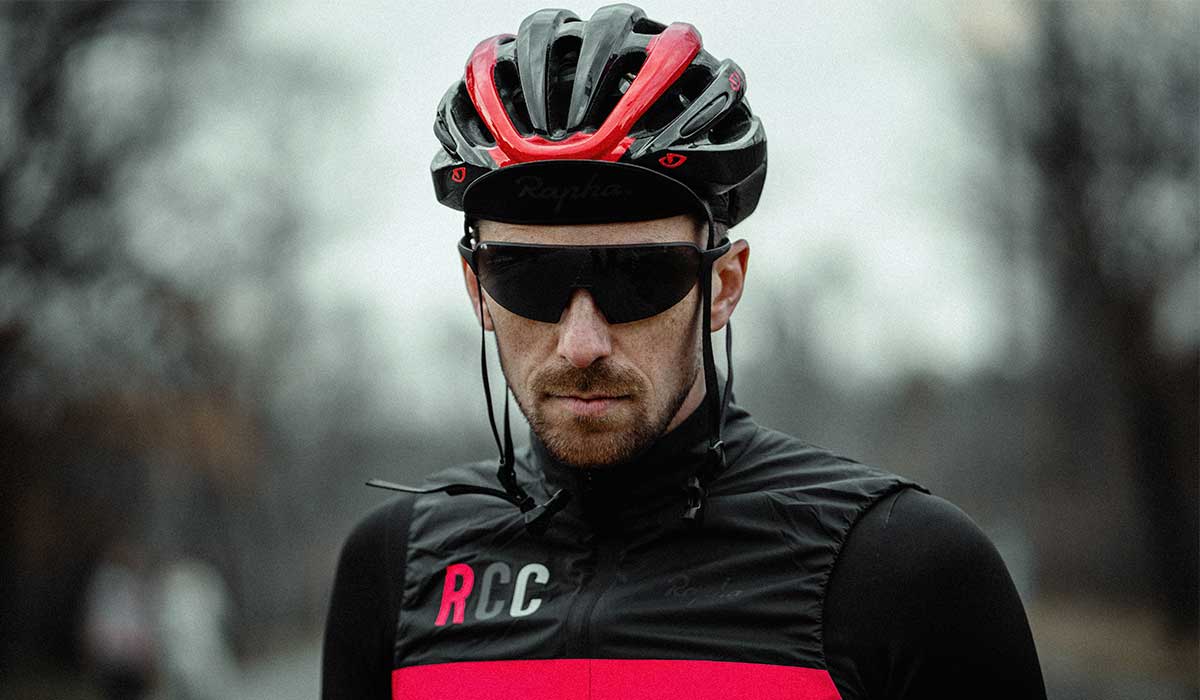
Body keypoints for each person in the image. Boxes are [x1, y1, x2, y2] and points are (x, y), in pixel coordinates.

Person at [321, 5, 1046, 699]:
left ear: (724, 285)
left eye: (638, 277)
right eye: (528, 277)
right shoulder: (395, 569)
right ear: (477, 289)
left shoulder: (903, 569)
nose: (582, 343)